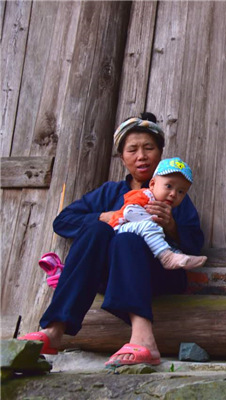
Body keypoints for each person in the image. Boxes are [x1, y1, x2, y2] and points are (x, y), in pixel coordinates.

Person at [18, 112, 205, 367]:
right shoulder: (110, 192)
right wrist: (106, 216)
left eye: (149, 148)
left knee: (127, 240)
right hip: (111, 275)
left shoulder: (174, 193)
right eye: (133, 149)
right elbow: (62, 221)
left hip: (160, 275)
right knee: (96, 229)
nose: (141, 155)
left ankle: (143, 338)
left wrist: (171, 225)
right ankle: (54, 330)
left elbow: (195, 243)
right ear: (122, 157)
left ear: (160, 153)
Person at [109, 157, 207, 270]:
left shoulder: (179, 208)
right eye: (169, 186)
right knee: (150, 226)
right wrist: (151, 219)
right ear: (152, 184)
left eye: (181, 191)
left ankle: (178, 257)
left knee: (169, 243)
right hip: (121, 229)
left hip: (148, 257)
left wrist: (172, 227)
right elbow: (129, 211)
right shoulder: (144, 195)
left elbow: (195, 241)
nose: (173, 194)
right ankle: (167, 258)